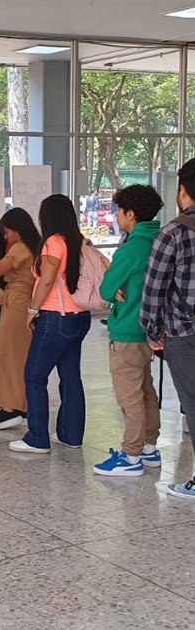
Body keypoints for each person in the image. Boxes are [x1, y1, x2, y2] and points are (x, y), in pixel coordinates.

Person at [10, 194, 91, 454]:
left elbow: (46, 280)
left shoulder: (54, 242)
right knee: (70, 377)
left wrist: (32, 309)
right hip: (80, 317)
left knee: (34, 376)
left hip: (56, 317)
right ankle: (71, 434)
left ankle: (37, 438)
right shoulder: (79, 241)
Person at [93, 185, 163, 477]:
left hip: (126, 331)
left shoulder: (132, 247)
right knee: (146, 391)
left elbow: (107, 289)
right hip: (150, 330)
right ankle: (149, 447)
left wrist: (116, 286)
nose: (116, 216)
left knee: (129, 397)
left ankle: (131, 455)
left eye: (118, 211)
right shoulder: (159, 241)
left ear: (130, 214)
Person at [141, 158, 195, 499]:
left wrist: (152, 330)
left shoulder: (173, 232)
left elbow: (154, 289)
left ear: (183, 191)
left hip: (183, 333)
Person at [0, 208, 41, 430]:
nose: (6, 235)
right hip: (23, 303)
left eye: (8, 231)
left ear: (18, 230)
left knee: (7, 355)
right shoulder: (35, 246)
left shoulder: (20, 248)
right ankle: (22, 405)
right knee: (20, 357)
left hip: (15, 305)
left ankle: (10, 408)